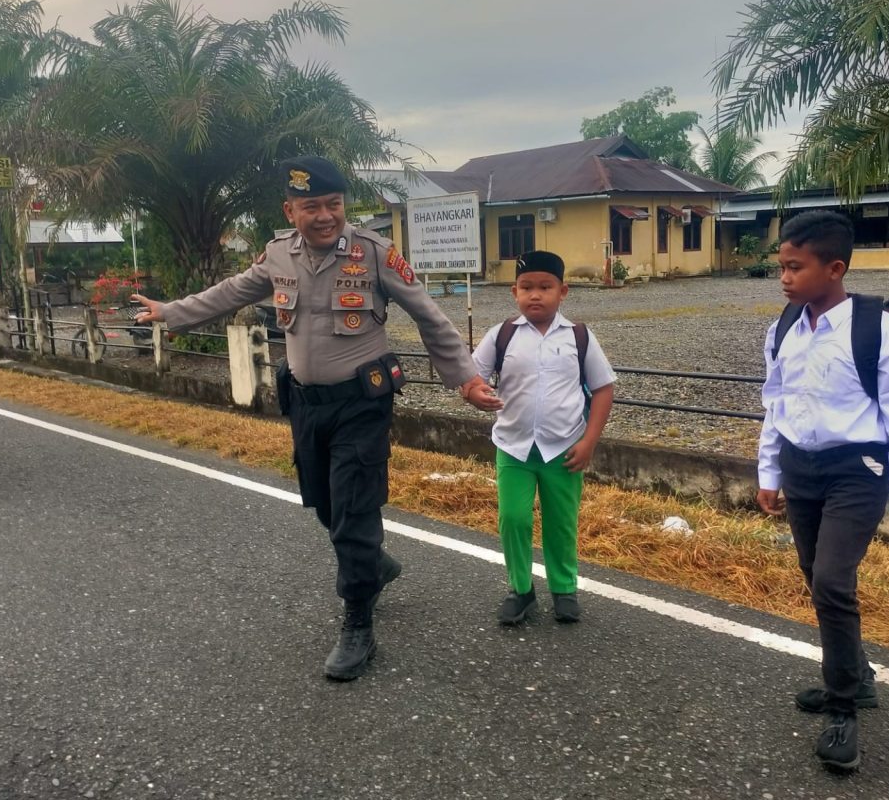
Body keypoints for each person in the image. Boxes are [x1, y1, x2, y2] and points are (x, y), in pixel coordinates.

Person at [132, 156, 501, 681]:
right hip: (305, 404)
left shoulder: (375, 254)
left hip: (362, 404)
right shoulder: (279, 254)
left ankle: (357, 623)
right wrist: (172, 311)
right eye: (312, 207)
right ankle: (373, 563)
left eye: (334, 204)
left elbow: (429, 315)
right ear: (291, 209)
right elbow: (234, 291)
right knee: (325, 504)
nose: (325, 215)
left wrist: (464, 378)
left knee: (352, 510)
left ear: (344, 206)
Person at [756, 210, 889, 772]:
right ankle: (855, 672)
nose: (784, 278)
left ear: (834, 268)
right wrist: (770, 471)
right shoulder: (784, 325)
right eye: (780, 266)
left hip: (858, 470)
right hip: (800, 468)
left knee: (833, 581)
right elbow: (774, 403)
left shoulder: (878, 330)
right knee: (814, 573)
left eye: (794, 267)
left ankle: (843, 707)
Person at [470, 250, 615, 624]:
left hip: (564, 449)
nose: (536, 295)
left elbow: (603, 389)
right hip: (513, 447)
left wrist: (589, 442)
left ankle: (564, 589)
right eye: (527, 287)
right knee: (513, 519)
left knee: (561, 522)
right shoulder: (502, 335)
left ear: (563, 292)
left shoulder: (578, 337)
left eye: (545, 287)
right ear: (514, 292)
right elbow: (471, 377)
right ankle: (520, 590)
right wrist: (474, 393)